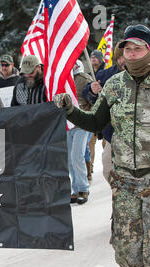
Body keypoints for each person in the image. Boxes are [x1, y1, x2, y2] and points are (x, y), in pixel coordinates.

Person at [53, 24, 150, 267]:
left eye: (138, 48)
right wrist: (70, 110)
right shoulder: (114, 84)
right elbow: (96, 121)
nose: (131, 54)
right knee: (126, 250)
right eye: (127, 49)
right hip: (126, 181)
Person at [83, 42, 126, 182]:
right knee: (108, 170)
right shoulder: (106, 74)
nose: (122, 61)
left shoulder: (140, 74)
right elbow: (87, 93)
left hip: (136, 137)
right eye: (119, 57)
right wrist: (92, 90)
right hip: (111, 134)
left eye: (124, 56)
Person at [68, 60, 93, 204]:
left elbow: (93, 99)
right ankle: (76, 189)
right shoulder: (61, 79)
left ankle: (84, 188)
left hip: (82, 122)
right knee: (70, 159)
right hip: (67, 123)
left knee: (77, 155)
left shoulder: (84, 79)